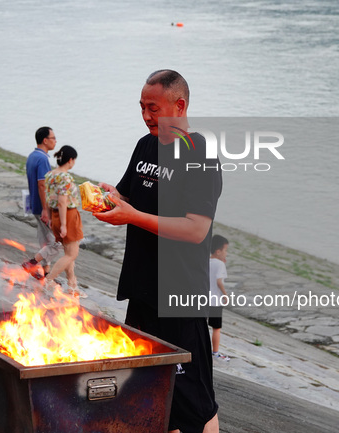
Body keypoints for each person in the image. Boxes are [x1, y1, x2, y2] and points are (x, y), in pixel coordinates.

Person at [95, 70, 222, 433]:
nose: (146, 115)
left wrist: (132, 215)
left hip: (180, 295)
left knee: (195, 401)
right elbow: (130, 197)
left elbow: (197, 229)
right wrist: (112, 199)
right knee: (148, 389)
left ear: (179, 105)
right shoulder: (145, 145)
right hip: (141, 289)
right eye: (142, 107)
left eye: (153, 107)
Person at [42, 145, 87, 298]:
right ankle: (48, 281)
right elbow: (62, 201)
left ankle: (72, 286)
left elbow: (48, 199)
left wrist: (50, 218)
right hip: (67, 215)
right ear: (70, 160)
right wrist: (63, 225)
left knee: (69, 253)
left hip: (55, 215)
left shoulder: (50, 175)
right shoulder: (65, 177)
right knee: (72, 254)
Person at [22, 127, 61, 279]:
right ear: (45, 140)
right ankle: (32, 263)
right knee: (57, 242)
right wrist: (46, 210)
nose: (55, 141)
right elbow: (42, 184)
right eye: (53, 138)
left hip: (34, 204)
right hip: (42, 206)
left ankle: (46, 274)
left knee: (46, 240)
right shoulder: (43, 159)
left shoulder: (32, 156)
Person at [209, 235, 230, 361]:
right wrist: (225, 294)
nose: (226, 253)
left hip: (203, 299)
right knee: (216, 328)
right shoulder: (220, 265)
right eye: (225, 250)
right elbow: (219, 281)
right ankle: (215, 352)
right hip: (215, 301)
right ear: (218, 251)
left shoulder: (207, 261)